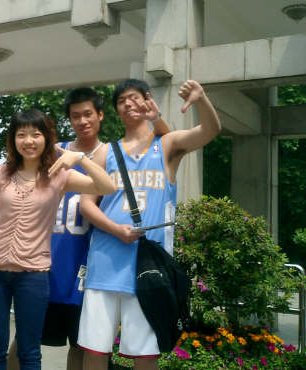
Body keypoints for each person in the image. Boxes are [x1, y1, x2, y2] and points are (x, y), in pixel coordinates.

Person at [7, 88, 170, 370]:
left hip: (86, 263)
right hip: (45, 257)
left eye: (88, 114)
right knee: (25, 336)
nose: (82, 121)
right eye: (75, 116)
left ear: (100, 115)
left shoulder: (111, 155)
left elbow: (164, 142)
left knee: (81, 344)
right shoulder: (52, 151)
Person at [78, 79, 221, 370]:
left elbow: (210, 131)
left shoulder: (166, 145)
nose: (127, 104)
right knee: (94, 350)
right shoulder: (106, 152)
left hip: (149, 269)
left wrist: (201, 99)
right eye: (121, 101)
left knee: (146, 354)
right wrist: (116, 230)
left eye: (133, 97)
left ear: (147, 100)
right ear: (116, 111)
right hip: (105, 263)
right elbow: (86, 204)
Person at [0, 109, 117, 370]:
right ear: (13, 139)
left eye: (36, 134)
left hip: (33, 274)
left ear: (47, 138)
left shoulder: (59, 175)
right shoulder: (1, 173)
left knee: (29, 351)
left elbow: (107, 187)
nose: (29, 141)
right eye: (21, 134)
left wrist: (80, 158)